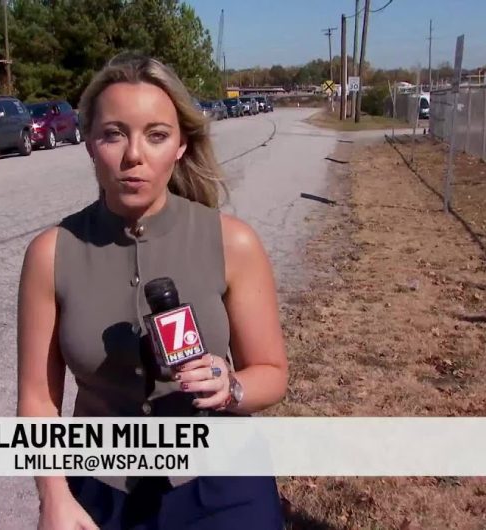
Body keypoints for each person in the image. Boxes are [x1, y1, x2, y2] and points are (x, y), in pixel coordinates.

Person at [16, 53, 289, 530]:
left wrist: (231, 386)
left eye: (156, 135)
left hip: (223, 487)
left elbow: (272, 373)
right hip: (102, 492)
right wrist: (53, 497)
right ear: (89, 142)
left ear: (181, 145)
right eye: (113, 134)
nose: (133, 155)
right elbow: (38, 402)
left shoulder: (233, 243)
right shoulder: (50, 254)